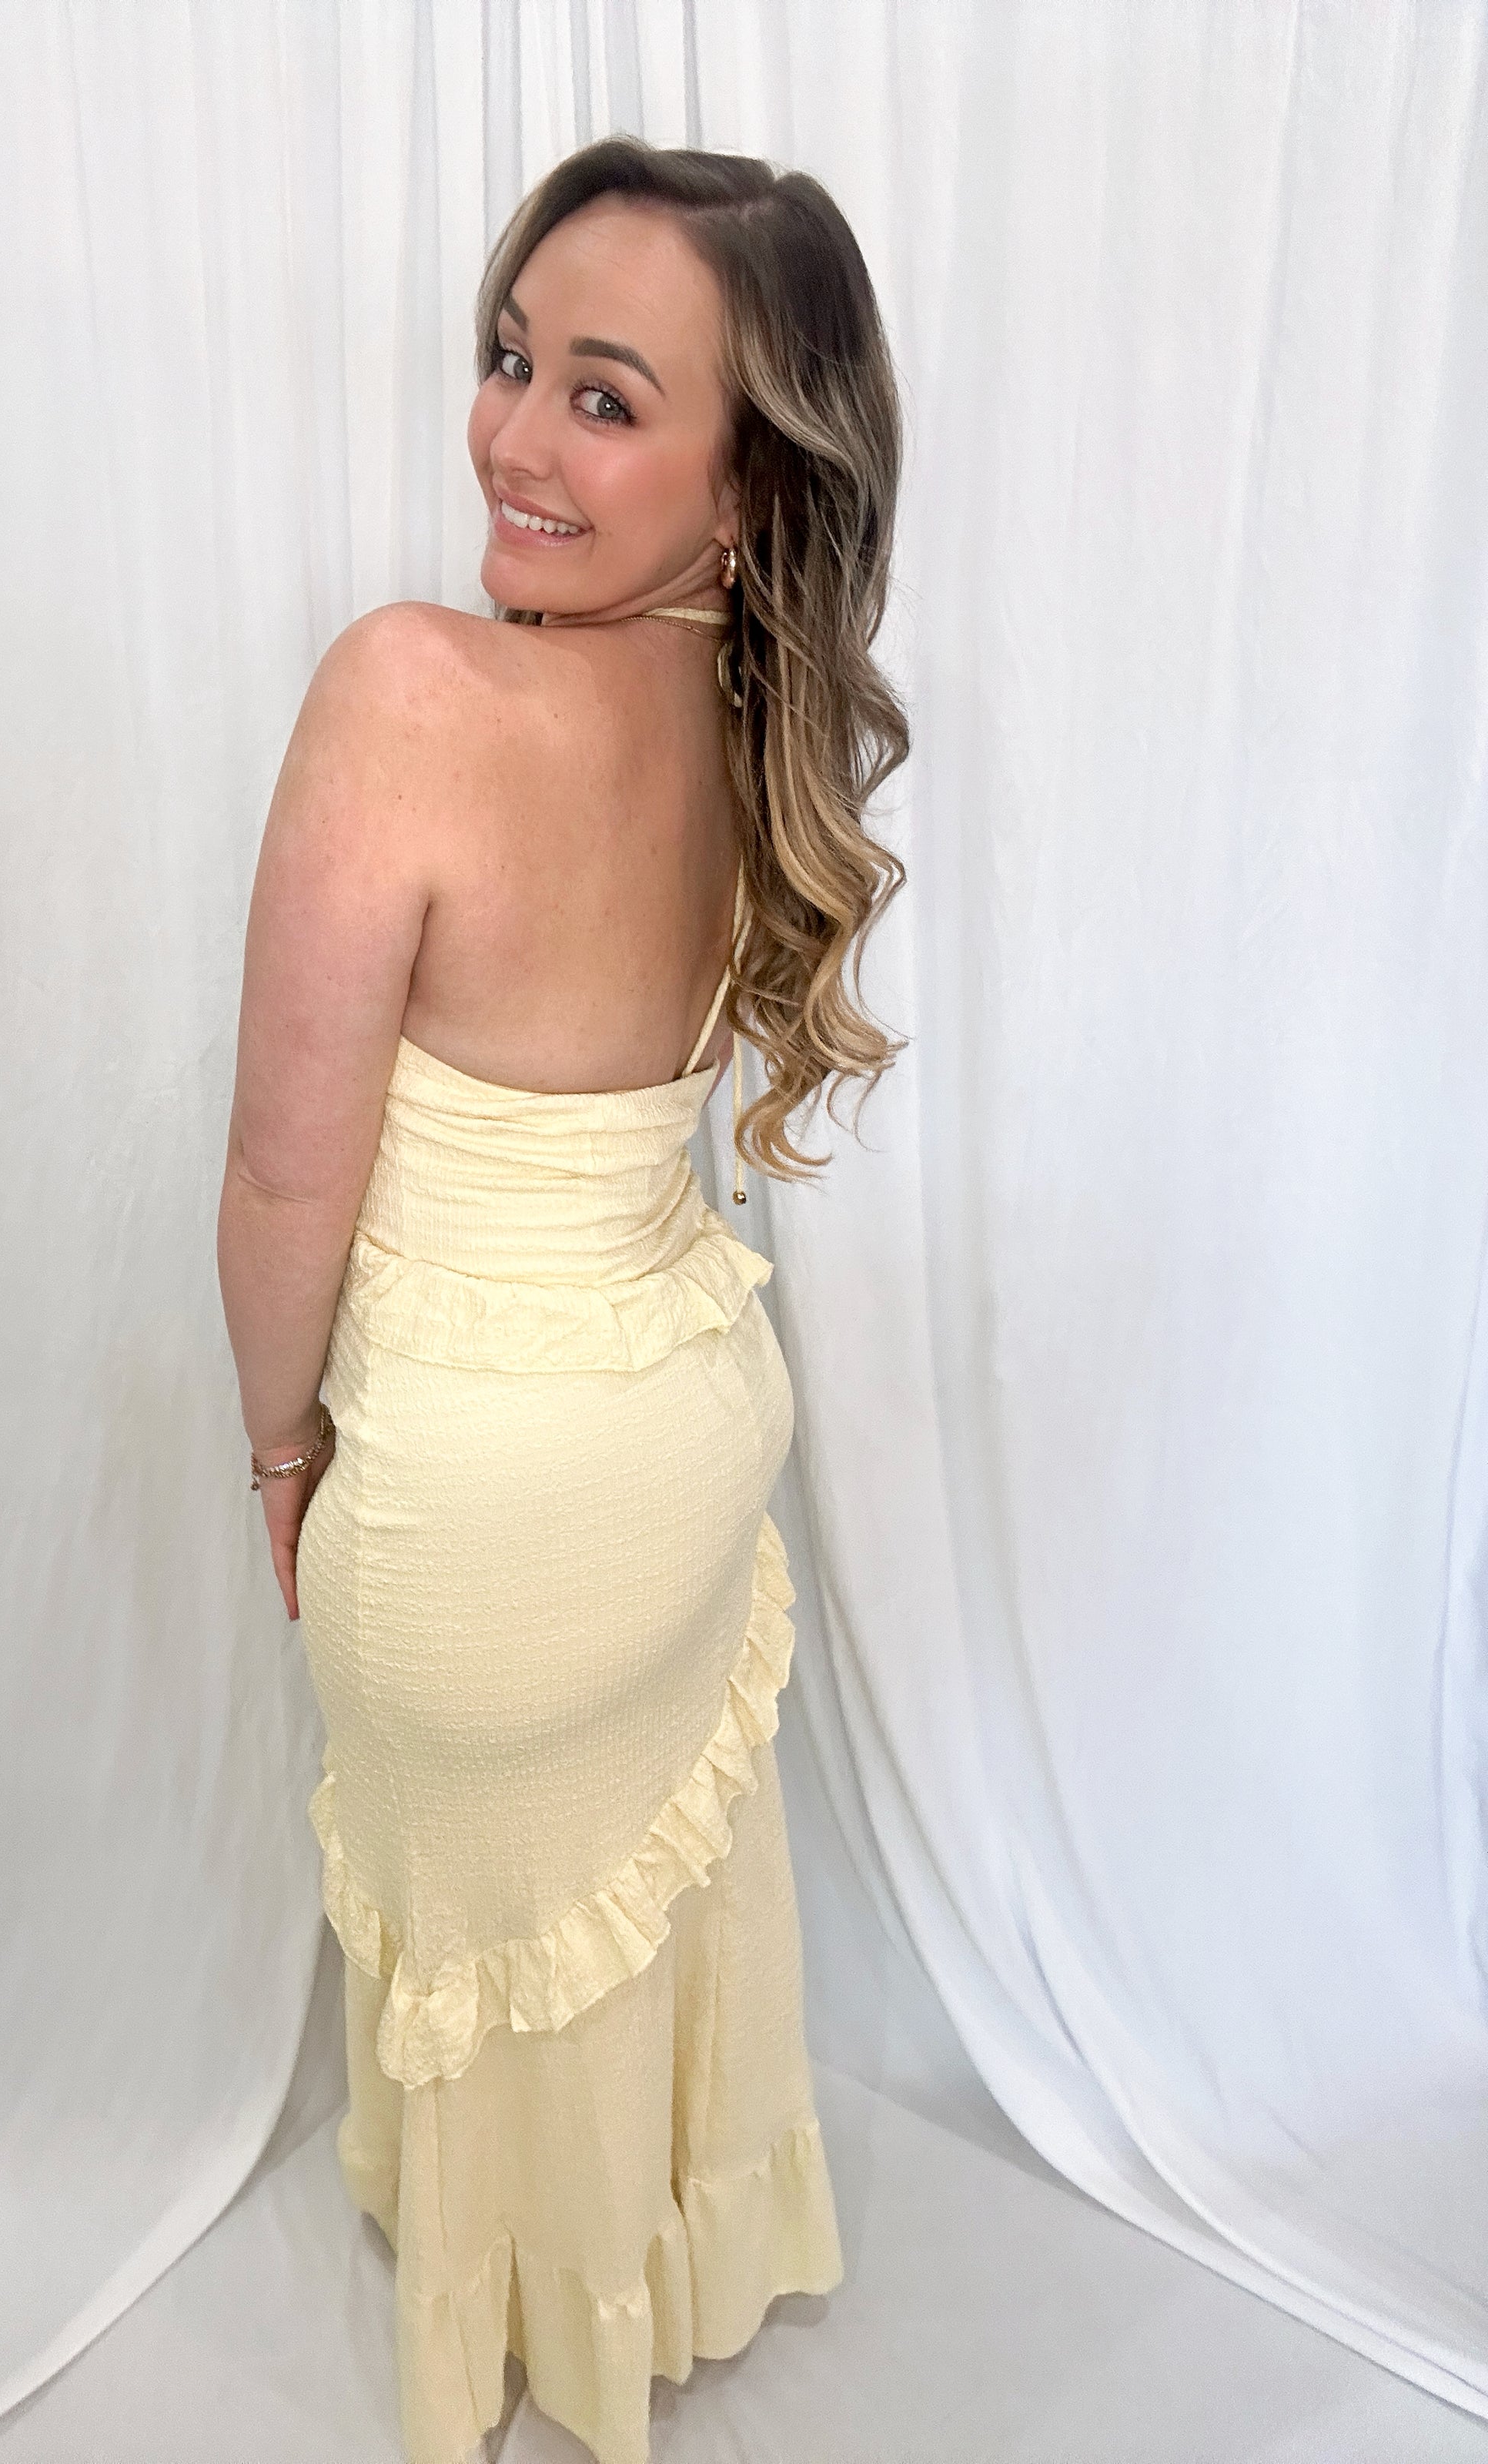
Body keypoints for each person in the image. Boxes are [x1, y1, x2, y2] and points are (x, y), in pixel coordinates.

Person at [217, 135, 908, 2464]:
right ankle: (635, 2288)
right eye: (512, 360)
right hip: (686, 1444)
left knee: (501, 1950)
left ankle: (509, 2325)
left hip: (483, 1500)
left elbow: (281, 1176)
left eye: (607, 398)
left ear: (745, 487)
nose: (512, 433)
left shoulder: (408, 691)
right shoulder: (754, 736)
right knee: (622, 1920)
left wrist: (280, 1443)